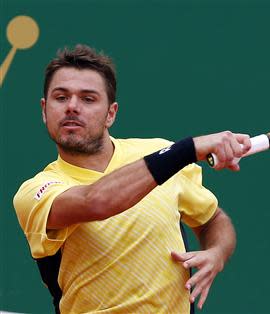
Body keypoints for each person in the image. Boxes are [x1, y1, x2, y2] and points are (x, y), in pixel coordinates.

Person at [13, 44, 251, 314]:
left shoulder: (160, 155)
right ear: (44, 110)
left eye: (88, 99)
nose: (72, 107)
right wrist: (187, 150)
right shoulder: (35, 192)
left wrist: (216, 253)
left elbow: (213, 220)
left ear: (111, 114)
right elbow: (97, 202)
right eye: (61, 97)